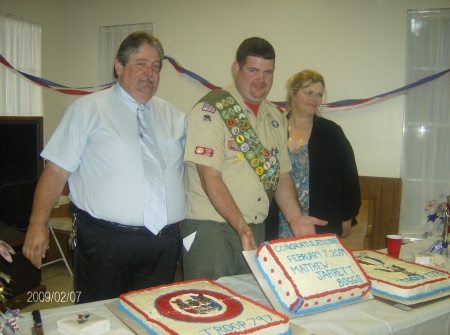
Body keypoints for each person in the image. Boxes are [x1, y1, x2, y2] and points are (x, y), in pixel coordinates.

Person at [22, 31, 187, 303]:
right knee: (100, 320)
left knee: (151, 319)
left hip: (163, 243)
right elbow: (56, 170)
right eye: (141, 63)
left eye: (156, 66)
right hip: (105, 242)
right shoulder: (87, 110)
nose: (150, 72)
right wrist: (37, 224)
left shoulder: (176, 117)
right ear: (119, 66)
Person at [182, 37, 327, 281]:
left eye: (267, 72)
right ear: (236, 69)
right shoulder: (212, 109)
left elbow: (280, 174)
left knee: (251, 305)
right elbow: (210, 179)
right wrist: (241, 227)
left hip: (253, 228)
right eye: (253, 70)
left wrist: (295, 218)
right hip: (212, 229)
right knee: (210, 304)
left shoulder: (275, 116)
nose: (261, 80)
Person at [273, 69, 360, 240]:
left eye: (319, 95)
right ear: (292, 93)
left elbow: (349, 178)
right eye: (308, 93)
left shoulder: (331, 132)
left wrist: (347, 218)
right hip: (277, 220)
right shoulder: (274, 129)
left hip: (320, 221)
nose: (314, 99)